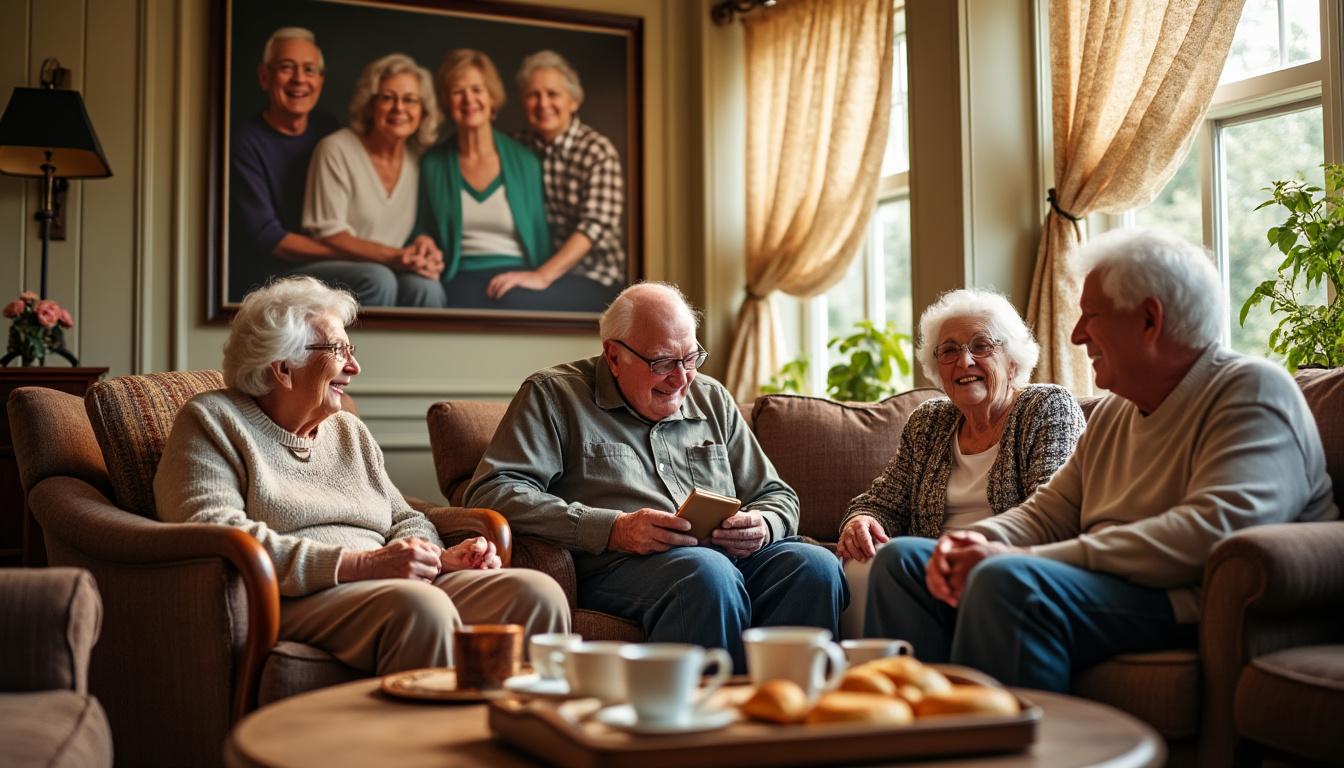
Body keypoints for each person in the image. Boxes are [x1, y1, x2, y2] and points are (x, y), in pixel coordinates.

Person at [864, 228, 1338, 691]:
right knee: (904, 561)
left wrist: (1017, 557)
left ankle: (1002, 745)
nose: (1076, 334)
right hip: (1110, 583)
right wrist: (971, 542)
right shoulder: (1117, 411)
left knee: (1005, 580)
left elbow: (1211, 532)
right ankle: (919, 729)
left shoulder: (1248, 390)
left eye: (1092, 316)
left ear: (1150, 320)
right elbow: (1050, 511)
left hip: (1185, 599)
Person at [153, 276, 569, 674]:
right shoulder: (212, 422)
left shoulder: (347, 430)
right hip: (292, 596)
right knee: (421, 608)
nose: (354, 366)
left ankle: (522, 736)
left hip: (385, 584)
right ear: (283, 366)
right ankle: (422, 747)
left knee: (537, 594)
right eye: (338, 350)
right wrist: (361, 564)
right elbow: (214, 533)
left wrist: (434, 559)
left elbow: (404, 516)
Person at [464, 282, 846, 671]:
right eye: (662, 362)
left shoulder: (712, 399)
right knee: (706, 573)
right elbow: (493, 491)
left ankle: (789, 716)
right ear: (614, 356)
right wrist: (613, 528)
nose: (681, 378)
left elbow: (776, 494)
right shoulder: (555, 396)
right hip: (621, 567)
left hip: (725, 560)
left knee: (814, 566)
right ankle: (703, 723)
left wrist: (762, 524)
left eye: (691, 358)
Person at [834, 289, 1084, 638]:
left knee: (896, 558)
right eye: (949, 350)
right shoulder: (929, 422)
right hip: (924, 568)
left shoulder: (1046, 407)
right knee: (862, 561)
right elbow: (881, 502)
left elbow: (1052, 514)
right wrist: (862, 520)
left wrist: (978, 549)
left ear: (1012, 363)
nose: (965, 361)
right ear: (938, 369)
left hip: (1002, 562)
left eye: (981, 346)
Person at [415, 50, 586, 311]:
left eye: (477, 89)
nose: (469, 99)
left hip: (517, 274)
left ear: (492, 97)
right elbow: (423, 228)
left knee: (517, 301)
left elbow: (541, 233)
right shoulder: (433, 164)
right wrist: (424, 241)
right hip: (458, 275)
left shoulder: (526, 160)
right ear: (446, 102)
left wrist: (537, 276)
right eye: (458, 91)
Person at [300, 53, 446, 308]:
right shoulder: (335, 149)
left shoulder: (418, 162)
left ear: (423, 112)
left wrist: (424, 248)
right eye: (387, 98)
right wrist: (396, 256)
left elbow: (416, 230)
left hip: (389, 266)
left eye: (410, 100)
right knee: (379, 279)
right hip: (333, 267)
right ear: (370, 105)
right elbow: (330, 234)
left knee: (426, 287)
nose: (399, 108)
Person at [482, 50, 624, 310]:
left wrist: (542, 276)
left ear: (573, 101)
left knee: (515, 300)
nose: (543, 103)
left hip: (592, 275)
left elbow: (593, 227)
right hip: (534, 266)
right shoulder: (516, 147)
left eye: (553, 94)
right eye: (533, 95)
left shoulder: (597, 151)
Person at [229, 27, 339, 302]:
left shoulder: (329, 130)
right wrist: (354, 251)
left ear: (321, 81)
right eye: (287, 68)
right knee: (378, 278)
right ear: (265, 77)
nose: (299, 79)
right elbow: (269, 238)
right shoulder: (245, 141)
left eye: (309, 69)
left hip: (328, 262)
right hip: (274, 275)